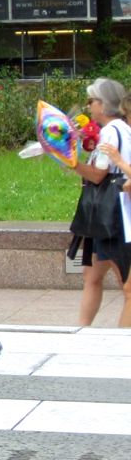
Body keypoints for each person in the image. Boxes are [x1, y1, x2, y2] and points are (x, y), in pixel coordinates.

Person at [79, 78, 131, 326]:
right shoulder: (123, 129)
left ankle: (120, 340)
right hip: (112, 212)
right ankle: (82, 330)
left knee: (126, 285)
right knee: (92, 276)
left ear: (103, 103)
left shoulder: (111, 131)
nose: (89, 106)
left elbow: (98, 174)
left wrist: (71, 163)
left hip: (112, 215)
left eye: (91, 101)